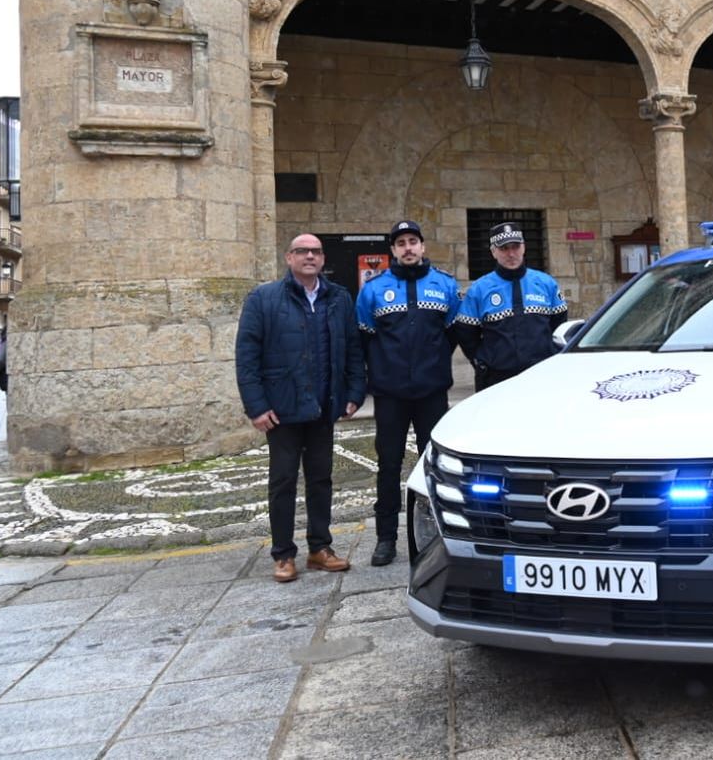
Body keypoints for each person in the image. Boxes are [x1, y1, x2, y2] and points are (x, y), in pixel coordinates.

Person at [236, 234, 366, 583]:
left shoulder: (338, 298)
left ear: (323, 259)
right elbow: (247, 358)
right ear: (288, 257)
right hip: (282, 410)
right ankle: (283, 554)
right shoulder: (263, 299)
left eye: (316, 252)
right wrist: (256, 406)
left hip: (323, 407)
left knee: (321, 479)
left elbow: (353, 349)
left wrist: (353, 391)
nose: (309, 256)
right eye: (302, 251)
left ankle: (320, 549)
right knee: (283, 482)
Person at [356, 220, 461, 567]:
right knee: (388, 465)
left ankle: (433, 534)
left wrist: (431, 366)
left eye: (413, 241)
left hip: (431, 392)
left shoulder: (445, 286)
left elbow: (452, 333)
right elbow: (366, 339)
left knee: (432, 465)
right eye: (401, 243)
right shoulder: (374, 290)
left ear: (423, 246)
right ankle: (386, 538)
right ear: (393, 251)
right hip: (390, 395)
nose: (408, 248)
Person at [456, 222, 568, 392]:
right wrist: (482, 362)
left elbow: (559, 324)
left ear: (523, 247)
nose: (511, 253)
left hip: (541, 376)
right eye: (504, 248)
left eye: (515, 247)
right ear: (493, 252)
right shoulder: (479, 289)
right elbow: (466, 333)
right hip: (496, 380)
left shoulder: (546, 283)